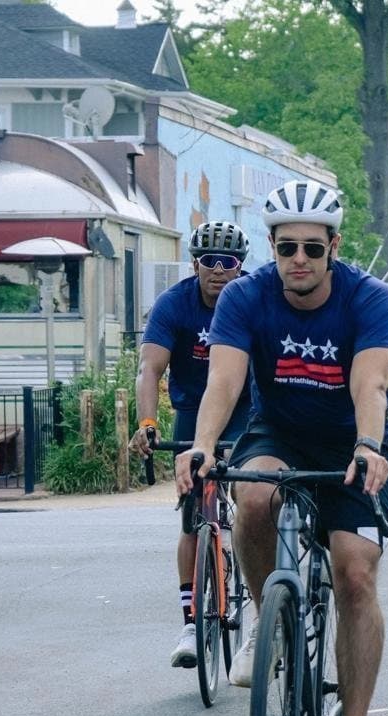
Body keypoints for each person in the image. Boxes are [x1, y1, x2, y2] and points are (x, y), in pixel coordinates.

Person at [174, 180, 388, 716]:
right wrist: (202, 446)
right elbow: (224, 382)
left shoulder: (369, 298)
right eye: (286, 248)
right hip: (278, 431)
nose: (298, 260)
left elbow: (370, 383)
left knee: (355, 573)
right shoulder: (245, 296)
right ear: (271, 247)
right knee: (252, 496)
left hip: (353, 438)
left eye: (312, 248)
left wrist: (368, 445)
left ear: (334, 246)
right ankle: (266, 617)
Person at [129, 221, 253, 669]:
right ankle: (190, 622)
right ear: (194, 264)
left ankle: (254, 583)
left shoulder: (252, 300)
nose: (218, 270)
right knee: (191, 516)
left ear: (241, 266)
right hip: (191, 410)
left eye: (228, 261)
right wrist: (147, 423)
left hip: (245, 410)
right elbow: (149, 369)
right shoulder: (174, 303)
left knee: (251, 499)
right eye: (208, 261)